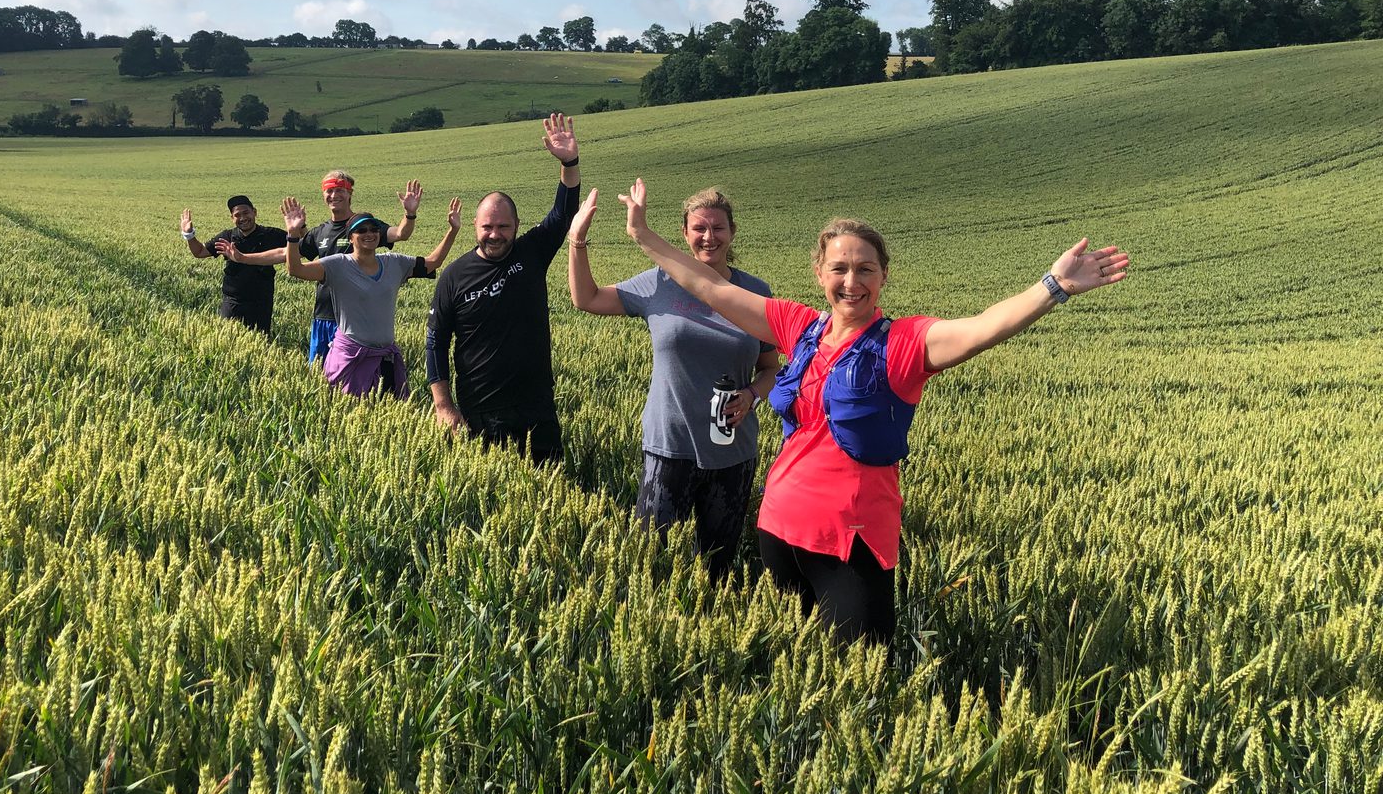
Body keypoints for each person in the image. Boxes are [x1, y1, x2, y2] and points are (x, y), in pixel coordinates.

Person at [618, 178, 1129, 645]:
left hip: (850, 542)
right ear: (819, 273)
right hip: (778, 527)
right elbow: (710, 287)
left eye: (865, 268)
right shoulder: (800, 328)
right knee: (799, 668)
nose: (851, 281)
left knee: (863, 679)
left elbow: (981, 328)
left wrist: (1052, 288)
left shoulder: (904, 344)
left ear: (884, 275)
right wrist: (644, 236)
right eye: (839, 268)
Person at [568, 186, 780, 576]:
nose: (708, 237)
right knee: (651, 564)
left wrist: (752, 395)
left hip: (732, 450)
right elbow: (588, 298)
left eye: (718, 228)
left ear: (732, 232)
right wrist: (577, 240)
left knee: (716, 569)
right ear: (684, 234)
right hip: (669, 446)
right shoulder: (659, 284)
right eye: (699, 228)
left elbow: (771, 368)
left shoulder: (754, 292)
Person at [425, 113, 582, 461]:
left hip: (536, 407)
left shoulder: (532, 252)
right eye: (487, 226)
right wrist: (443, 406)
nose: (494, 234)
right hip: (480, 412)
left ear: (516, 226)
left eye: (503, 226)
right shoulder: (454, 275)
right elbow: (436, 342)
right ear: (475, 227)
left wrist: (569, 162)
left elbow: (564, 211)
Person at [261, 195, 461, 397]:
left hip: (385, 359)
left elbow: (433, 262)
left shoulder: (395, 263)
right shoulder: (337, 265)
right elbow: (296, 269)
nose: (369, 234)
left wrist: (453, 230)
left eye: (373, 229)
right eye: (361, 230)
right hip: (351, 359)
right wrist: (293, 234)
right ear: (350, 237)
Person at [295, 172, 421, 364]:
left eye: (340, 190)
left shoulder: (365, 226)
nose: (334, 195)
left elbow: (400, 233)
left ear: (349, 193)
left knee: (354, 381)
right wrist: (243, 257)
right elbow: (287, 255)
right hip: (323, 316)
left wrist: (409, 214)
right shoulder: (320, 232)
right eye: (329, 190)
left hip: (356, 323)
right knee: (320, 378)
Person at [178, 195, 286, 336]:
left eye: (246, 213)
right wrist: (189, 235)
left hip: (261, 302)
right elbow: (200, 252)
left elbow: (302, 246)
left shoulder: (271, 235)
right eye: (237, 215)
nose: (242, 218)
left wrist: (299, 227)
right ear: (232, 218)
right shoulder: (227, 237)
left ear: (255, 212)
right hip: (233, 301)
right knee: (227, 339)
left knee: (260, 341)